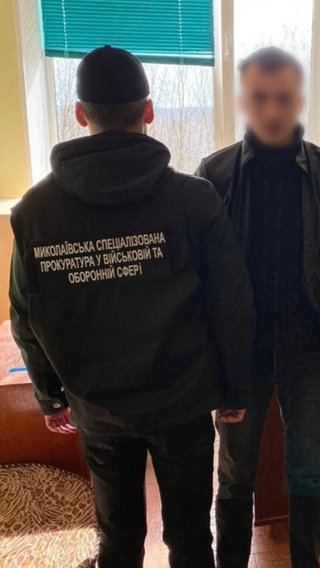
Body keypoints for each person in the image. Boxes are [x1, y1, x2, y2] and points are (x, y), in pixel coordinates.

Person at [9, 45, 255, 568]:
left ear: (81, 114)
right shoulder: (193, 200)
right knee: (191, 539)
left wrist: (49, 396)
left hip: (98, 410)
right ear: (148, 110)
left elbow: (26, 315)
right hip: (183, 403)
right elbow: (232, 305)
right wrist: (235, 389)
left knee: (117, 541)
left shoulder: (35, 211)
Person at [197, 46, 320, 568]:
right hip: (241, 354)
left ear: (300, 101)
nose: (272, 109)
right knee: (234, 473)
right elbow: (202, 280)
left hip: (310, 350)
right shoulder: (215, 173)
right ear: (244, 101)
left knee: (308, 470)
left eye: (284, 97)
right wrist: (210, 362)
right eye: (260, 97)